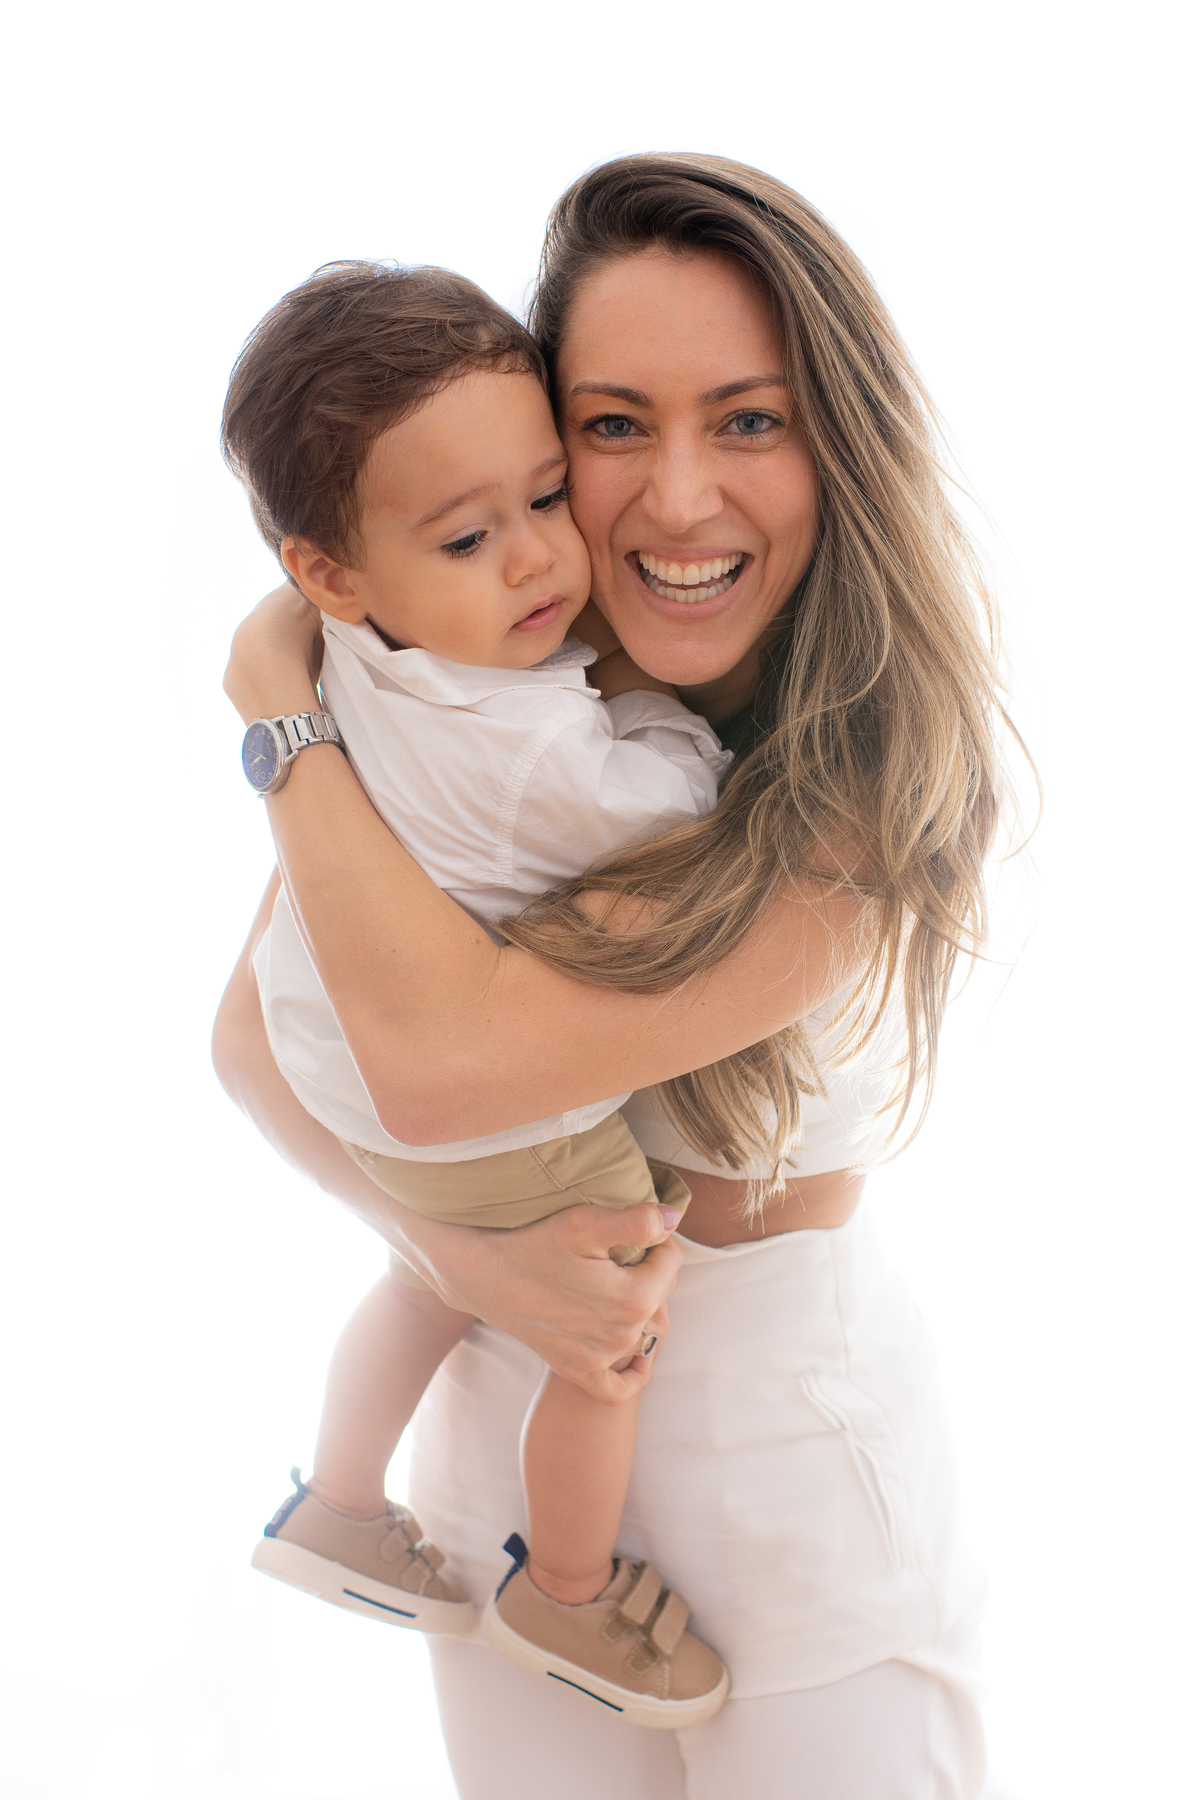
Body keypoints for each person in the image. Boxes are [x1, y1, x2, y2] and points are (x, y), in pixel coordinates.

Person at [215, 153, 1013, 1798]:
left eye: (748, 418)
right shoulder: (481, 707)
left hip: (776, 1450)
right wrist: (463, 1260)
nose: (674, 498)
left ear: (837, 441)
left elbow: (436, 1070)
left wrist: (274, 708)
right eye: (614, 424)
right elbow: (249, 1040)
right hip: (506, 1417)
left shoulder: (856, 793)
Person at [221, 259, 734, 1724]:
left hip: (326, 1050)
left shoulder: (347, 643)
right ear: (328, 566)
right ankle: (565, 1595)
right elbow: (667, 805)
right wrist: (650, 703)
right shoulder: (533, 752)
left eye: (545, 497)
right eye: (469, 534)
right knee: (613, 1316)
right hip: (468, 1109)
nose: (537, 565)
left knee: (422, 1274)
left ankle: (336, 1496)